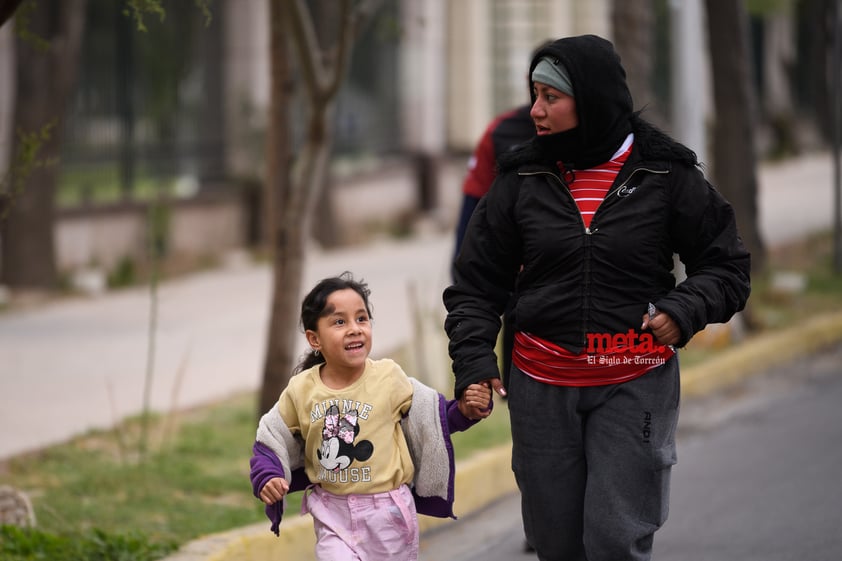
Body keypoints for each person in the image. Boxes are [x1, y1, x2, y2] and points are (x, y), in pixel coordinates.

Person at [443, 34, 751, 561]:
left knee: (613, 540)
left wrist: (682, 310)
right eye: (533, 94)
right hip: (541, 387)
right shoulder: (521, 178)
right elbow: (476, 284)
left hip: (633, 380)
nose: (535, 110)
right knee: (556, 546)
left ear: (592, 98)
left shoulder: (665, 174)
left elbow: (726, 266)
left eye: (551, 97)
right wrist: (473, 360)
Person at [250, 272, 492, 561]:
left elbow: (433, 419)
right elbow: (271, 436)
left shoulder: (388, 377)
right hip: (331, 511)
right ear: (315, 339)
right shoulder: (302, 389)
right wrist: (268, 476)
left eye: (361, 318)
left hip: (387, 513)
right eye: (339, 322)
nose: (354, 329)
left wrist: (465, 411)